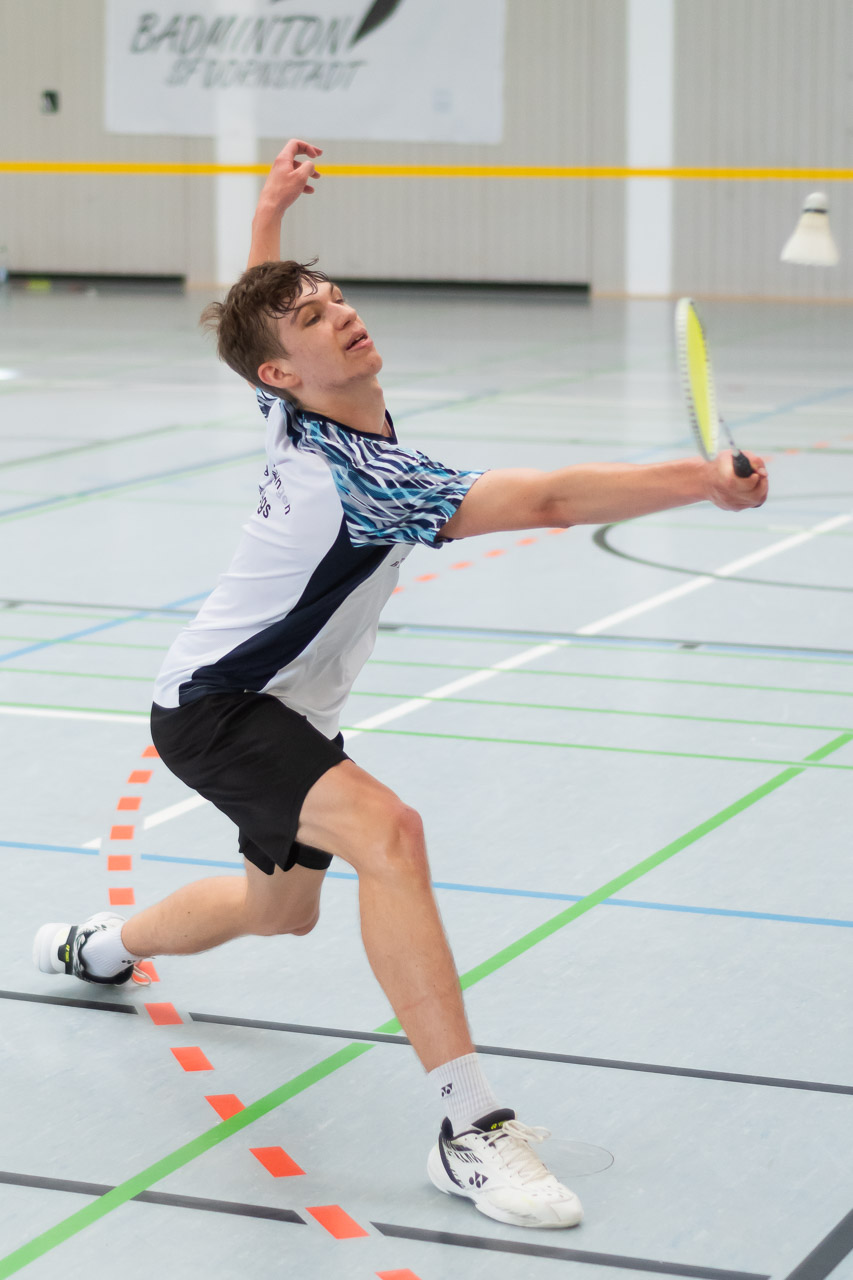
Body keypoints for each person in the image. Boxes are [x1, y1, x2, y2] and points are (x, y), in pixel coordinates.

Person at [34, 140, 768, 1230]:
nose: (340, 314)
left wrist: (271, 211)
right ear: (281, 372)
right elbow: (549, 500)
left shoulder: (298, 404)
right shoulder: (365, 474)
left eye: (335, 297)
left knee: (277, 911)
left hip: (276, 709)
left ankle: (100, 946)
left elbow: (257, 320)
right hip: (220, 710)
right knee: (391, 832)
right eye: (313, 317)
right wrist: (698, 480)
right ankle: (468, 1126)